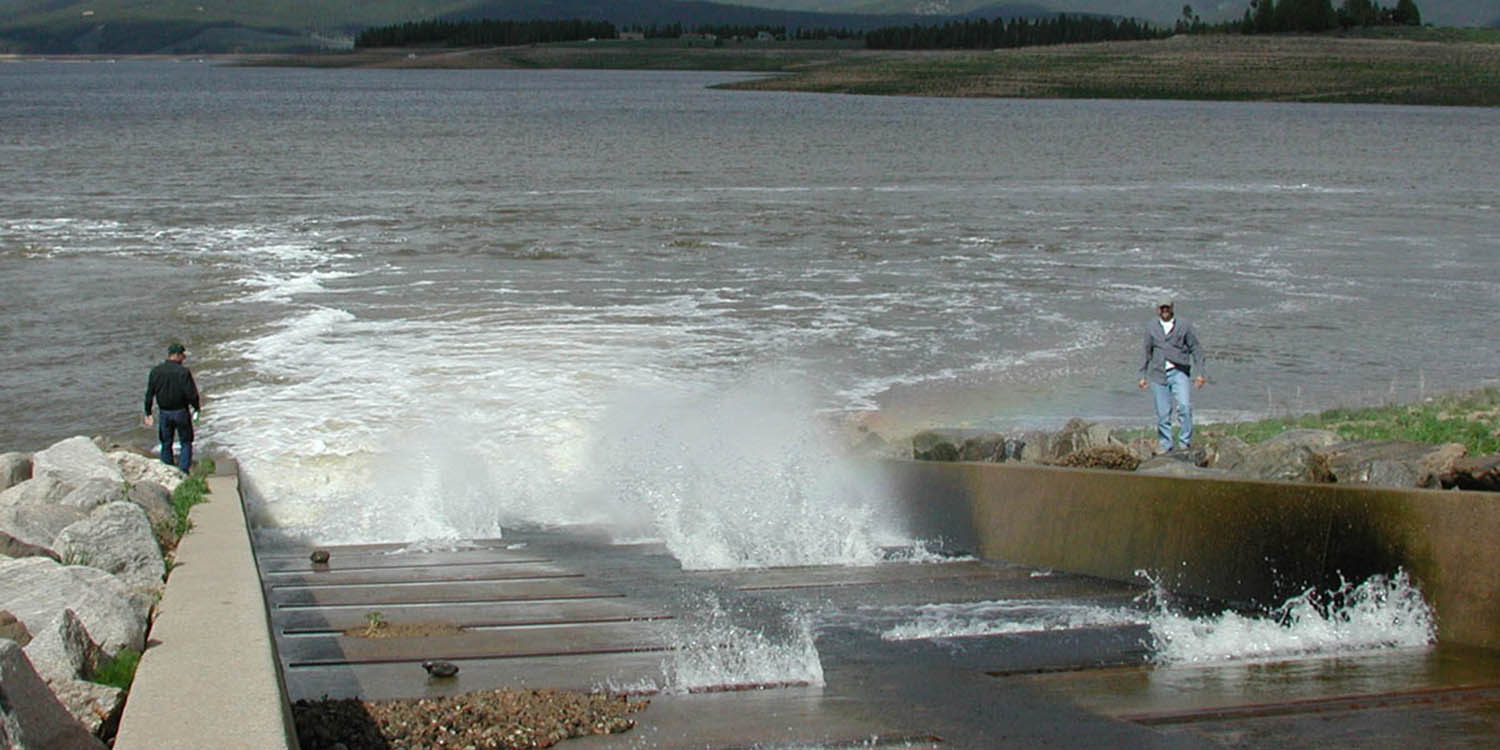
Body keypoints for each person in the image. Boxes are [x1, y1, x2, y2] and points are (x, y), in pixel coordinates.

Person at [1137, 298, 1206, 453]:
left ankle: (1184, 443)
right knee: (1163, 414)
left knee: (1185, 407)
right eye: (1162, 308)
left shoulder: (1183, 325)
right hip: (1158, 375)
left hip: (1179, 372)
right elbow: (1146, 352)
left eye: (1167, 308)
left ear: (1172, 307)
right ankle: (1166, 446)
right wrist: (1142, 375)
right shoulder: (1151, 327)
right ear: (1157, 309)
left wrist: (1200, 373)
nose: (1164, 311)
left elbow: (1196, 348)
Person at [144, 343, 201, 473]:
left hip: (164, 412)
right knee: (186, 441)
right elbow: (191, 394)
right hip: (181, 411)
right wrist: (196, 408)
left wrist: (148, 412)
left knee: (166, 442)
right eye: (183, 355)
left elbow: (149, 394)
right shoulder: (183, 372)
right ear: (177, 355)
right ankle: (183, 471)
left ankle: (167, 470)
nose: (184, 358)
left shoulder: (156, 371)